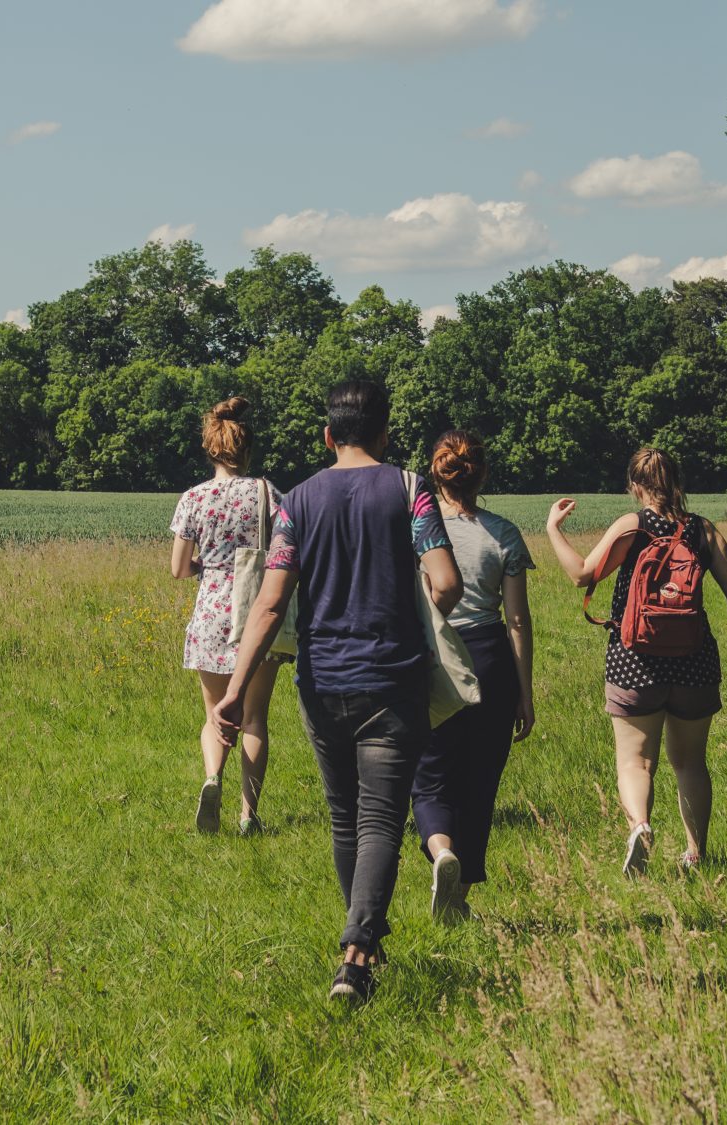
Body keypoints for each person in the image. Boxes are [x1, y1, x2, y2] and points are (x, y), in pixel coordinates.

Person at [213, 380, 460, 1003]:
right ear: (384, 433)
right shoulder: (410, 489)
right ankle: (356, 955)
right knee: (381, 820)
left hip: (321, 682)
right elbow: (446, 583)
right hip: (392, 679)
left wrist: (235, 690)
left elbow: (271, 604)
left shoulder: (297, 501)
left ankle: (363, 946)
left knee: (345, 817)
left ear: (328, 436)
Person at [542, 448, 727, 874]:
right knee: (691, 762)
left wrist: (553, 529)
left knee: (635, 761)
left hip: (634, 661)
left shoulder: (633, 526)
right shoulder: (703, 530)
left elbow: (581, 574)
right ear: (676, 481)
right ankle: (695, 854)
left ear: (635, 486)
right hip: (695, 660)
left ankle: (640, 826)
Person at [411, 430, 535, 923]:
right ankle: (458, 897)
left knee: (429, 774)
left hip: (434, 656)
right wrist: (525, 693)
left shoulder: (415, 530)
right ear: (481, 474)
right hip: (490, 662)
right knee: (480, 784)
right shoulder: (503, 534)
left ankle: (442, 852)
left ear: (436, 473)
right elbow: (518, 621)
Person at [169, 396, 283, 836]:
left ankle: (212, 777)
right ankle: (248, 815)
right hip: (258, 611)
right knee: (254, 717)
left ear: (210, 449)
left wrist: (209, 565)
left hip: (211, 615)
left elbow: (179, 568)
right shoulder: (268, 493)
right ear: (247, 449)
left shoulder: (194, 498)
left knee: (214, 712)